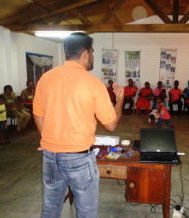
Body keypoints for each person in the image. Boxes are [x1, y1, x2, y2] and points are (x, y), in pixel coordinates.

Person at [33, 32, 124, 218]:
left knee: (50, 209)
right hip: (79, 159)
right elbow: (111, 125)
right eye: (92, 52)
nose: (92, 57)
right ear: (85, 53)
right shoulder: (93, 84)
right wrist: (120, 101)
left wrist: (51, 141)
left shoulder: (45, 79)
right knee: (86, 212)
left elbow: (38, 116)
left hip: (50, 157)